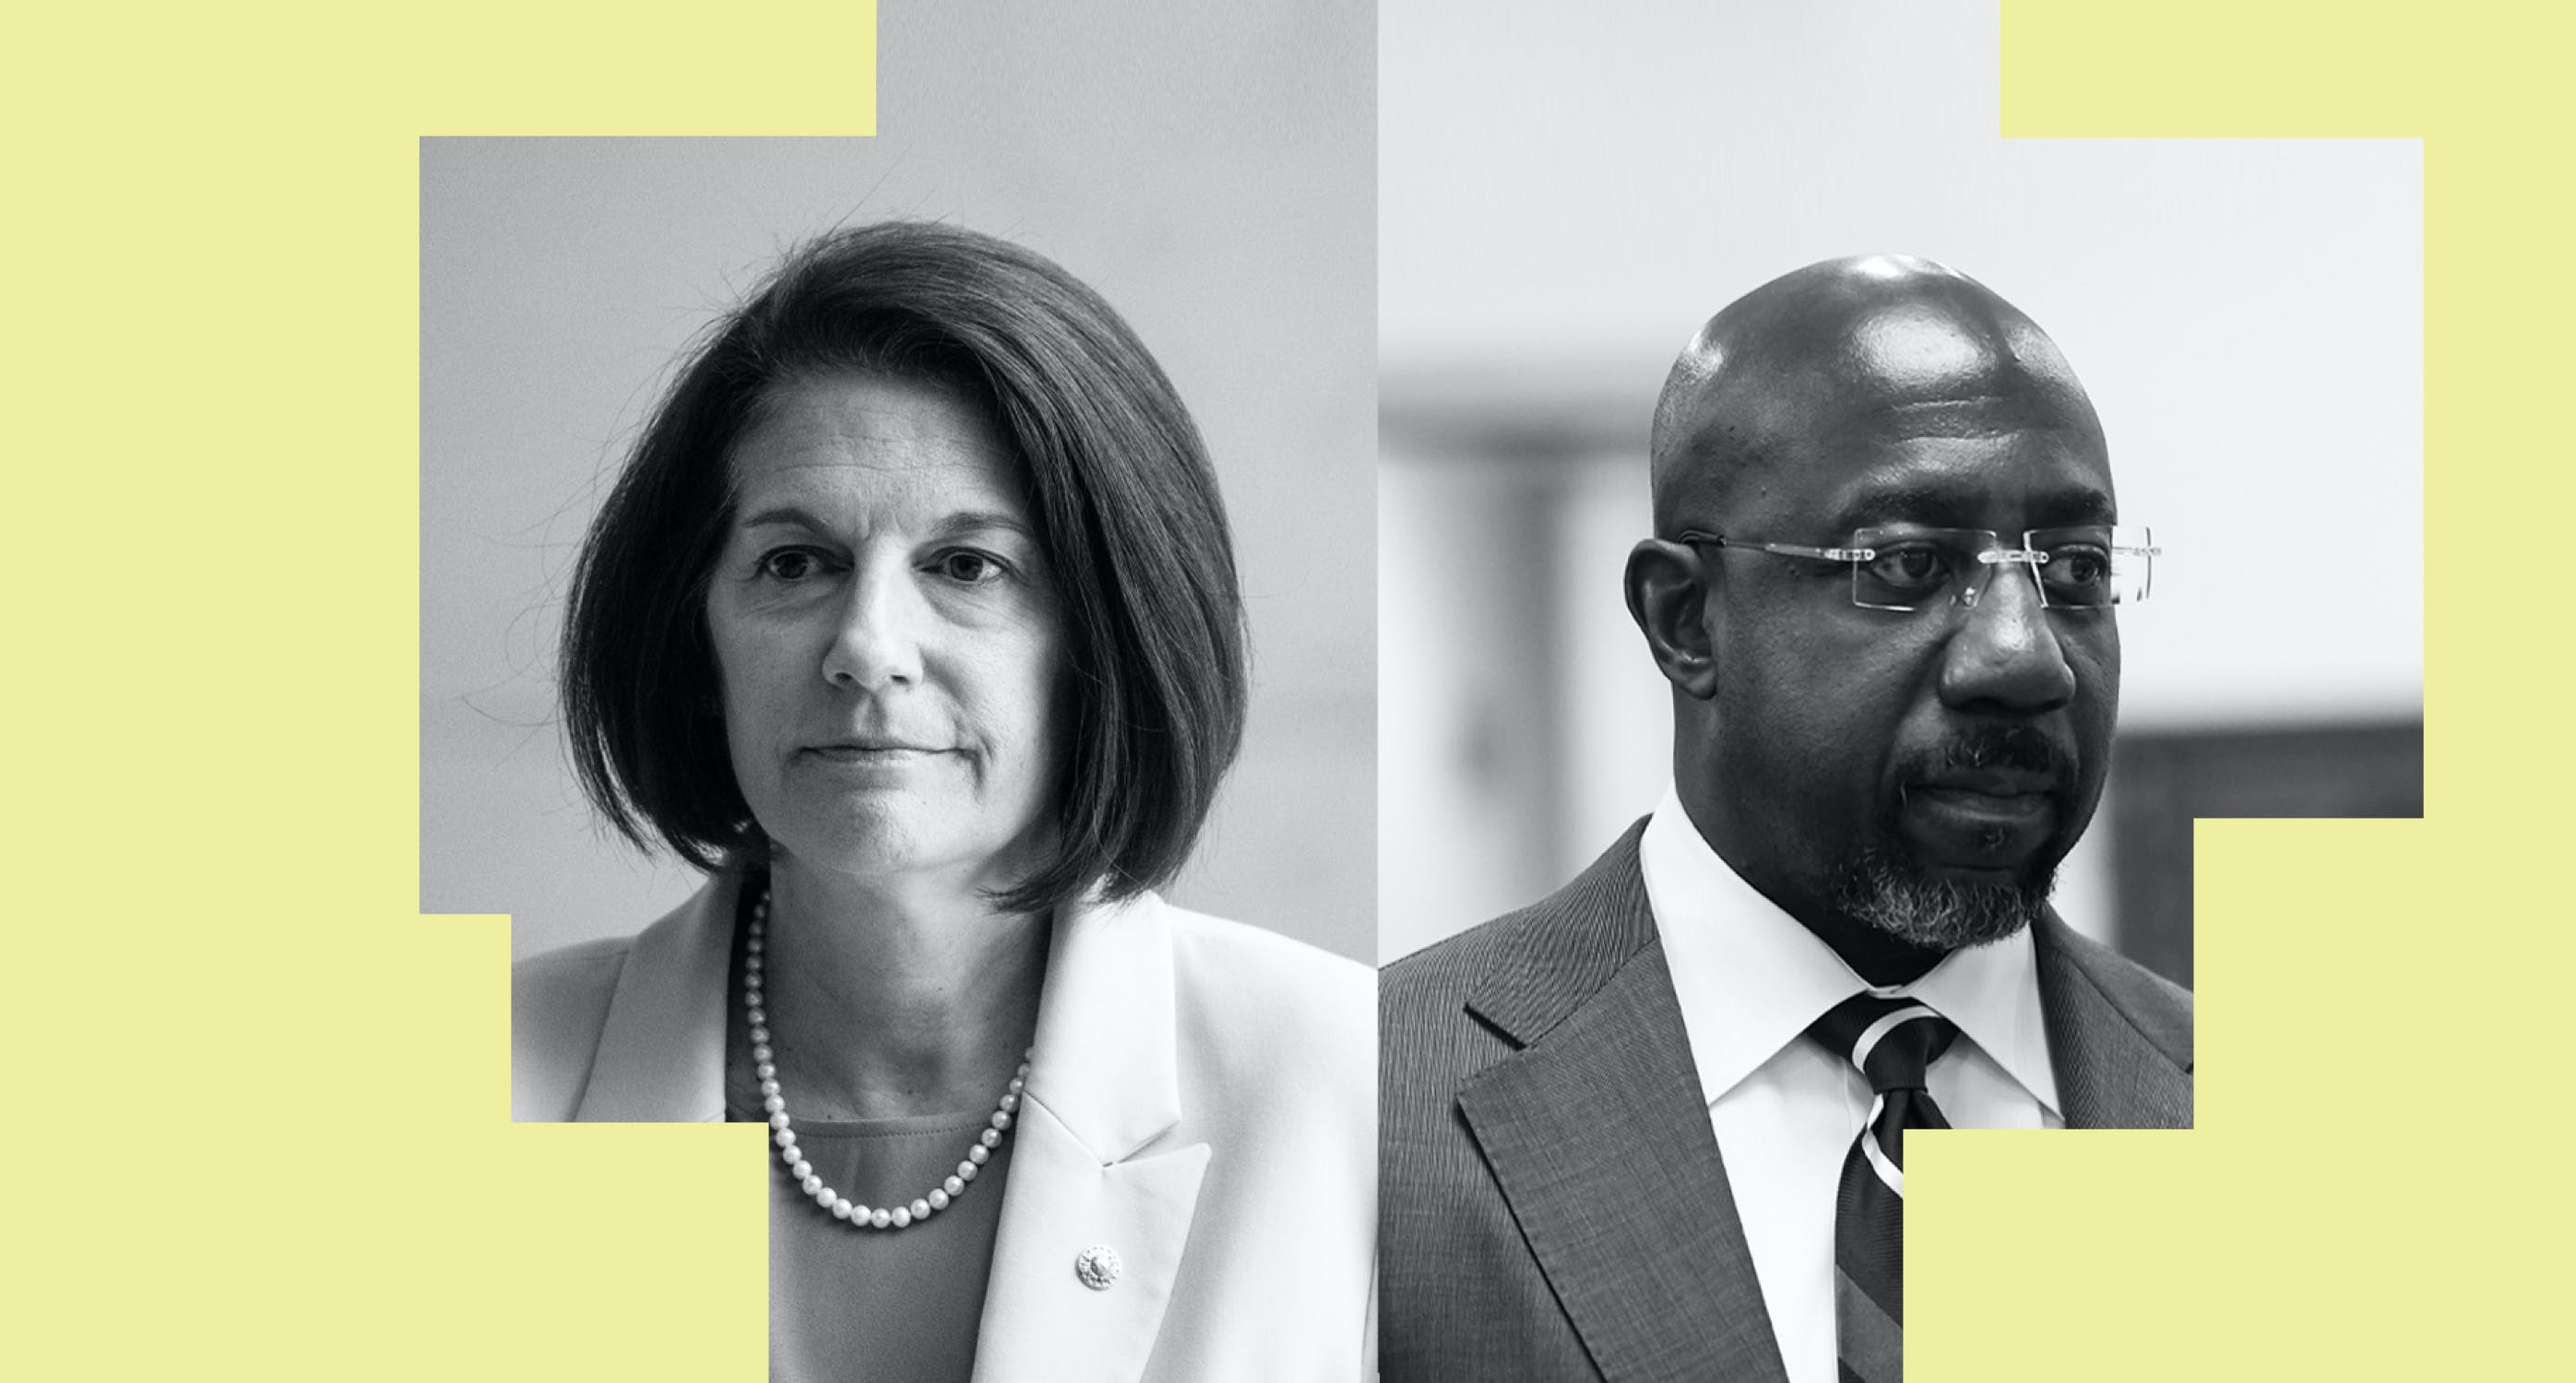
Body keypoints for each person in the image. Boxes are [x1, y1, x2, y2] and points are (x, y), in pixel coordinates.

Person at [509, 221, 1374, 1381]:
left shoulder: (1356, 1085)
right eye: (794, 563)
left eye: (968, 567)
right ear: (694, 636)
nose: (868, 646)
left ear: (1107, 640)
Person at [1378, 255, 2190, 1383]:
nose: (2024, 655)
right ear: (1686, 621)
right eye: (1907, 564)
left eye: (2076, 567)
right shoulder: (1376, 1115)